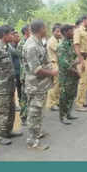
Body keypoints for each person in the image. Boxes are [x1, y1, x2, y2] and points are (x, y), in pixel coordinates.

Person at [23, 20, 57, 150]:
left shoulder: (38, 42)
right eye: (45, 28)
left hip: (41, 85)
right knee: (34, 113)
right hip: (35, 85)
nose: (47, 30)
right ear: (41, 29)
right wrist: (52, 72)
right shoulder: (31, 46)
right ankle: (32, 141)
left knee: (39, 111)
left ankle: (37, 133)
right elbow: (36, 70)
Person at [0, 25, 23, 145]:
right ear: (4, 35)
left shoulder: (7, 48)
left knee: (11, 109)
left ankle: (8, 131)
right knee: (1, 111)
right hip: (1, 87)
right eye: (11, 34)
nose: (13, 36)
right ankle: (0, 136)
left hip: (9, 85)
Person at [57, 24, 81, 125]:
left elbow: (75, 57)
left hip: (73, 74)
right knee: (64, 96)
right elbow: (64, 63)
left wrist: (78, 60)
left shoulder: (70, 44)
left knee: (72, 95)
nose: (73, 33)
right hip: (66, 76)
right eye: (71, 31)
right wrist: (76, 71)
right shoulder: (62, 46)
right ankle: (62, 116)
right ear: (66, 32)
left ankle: (68, 113)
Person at [73, 15, 87, 112]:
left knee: (86, 81)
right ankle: (79, 104)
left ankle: (83, 100)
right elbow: (76, 46)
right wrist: (81, 60)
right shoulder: (78, 31)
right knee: (82, 81)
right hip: (82, 58)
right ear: (84, 21)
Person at [46, 23, 62, 112]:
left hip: (57, 63)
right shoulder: (52, 41)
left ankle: (56, 101)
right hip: (53, 64)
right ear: (53, 32)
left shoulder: (58, 40)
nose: (59, 33)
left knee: (58, 84)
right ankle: (52, 103)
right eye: (57, 31)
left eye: (60, 31)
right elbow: (60, 51)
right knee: (54, 84)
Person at [18, 25, 30, 125]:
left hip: (29, 73)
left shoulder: (29, 41)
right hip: (25, 74)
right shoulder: (23, 43)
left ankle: (28, 115)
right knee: (24, 97)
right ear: (26, 31)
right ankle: (24, 117)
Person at [8, 30, 22, 111]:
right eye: (17, 36)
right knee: (13, 90)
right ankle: (14, 104)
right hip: (13, 72)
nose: (18, 38)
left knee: (20, 89)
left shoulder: (18, 45)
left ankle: (20, 104)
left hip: (19, 71)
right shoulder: (10, 47)